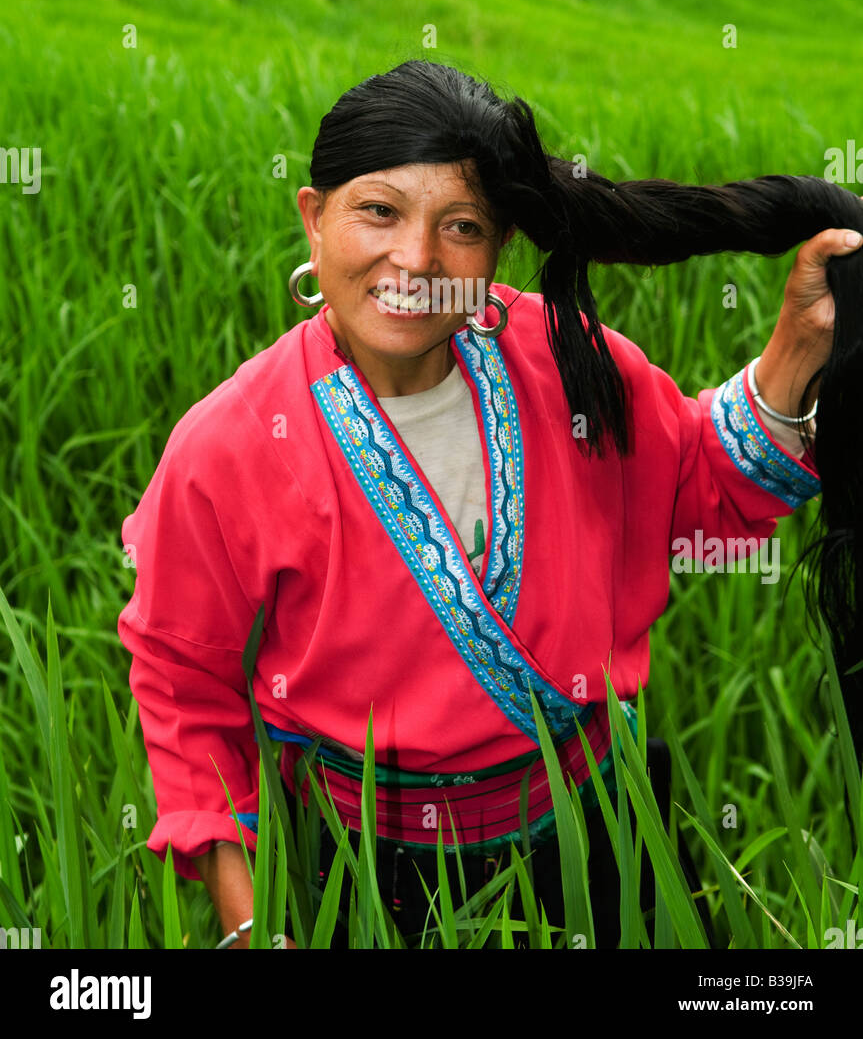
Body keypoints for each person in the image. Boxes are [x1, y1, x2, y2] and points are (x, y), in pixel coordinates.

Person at [117, 60, 863, 949]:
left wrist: (800, 340)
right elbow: (185, 693)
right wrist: (255, 933)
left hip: (597, 832)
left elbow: (697, 492)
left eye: (460, 226)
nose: (416, 259)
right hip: (363, 868)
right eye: (379, 212)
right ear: (314, 219)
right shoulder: (228, 446)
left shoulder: (563, 361)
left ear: (498, 245)